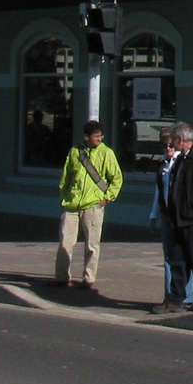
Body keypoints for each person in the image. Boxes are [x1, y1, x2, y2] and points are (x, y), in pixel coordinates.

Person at [151, 121, 193, 314]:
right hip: (178, 220)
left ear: (181, 139)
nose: (170, 143)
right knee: (177, 260)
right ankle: (175, 299)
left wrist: (189, 209)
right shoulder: (181, 160)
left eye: (173, 139)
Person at [53, 120, 122, 289]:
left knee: (92, 244)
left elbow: (116, 179)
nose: (99, 138)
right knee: (65, 243)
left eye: (101, 135)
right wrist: (64, 198)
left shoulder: (107, 153)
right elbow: (65, 178)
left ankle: (88, 278)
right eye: (96, 136)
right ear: (86, 137)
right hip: (72, 204)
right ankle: (62, 277)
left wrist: (107, 198)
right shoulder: (75, 152)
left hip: (93, 204)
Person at [148, 130, 193, 306]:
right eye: (164, 145)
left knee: (183, 256)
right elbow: (158, 191)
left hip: (181, 217)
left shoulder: (181, 163)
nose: (167, 148)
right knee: (169, 257)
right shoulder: (162, 163)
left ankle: (186, 296)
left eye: (170, 145)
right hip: (167, 216)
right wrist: (154, 215)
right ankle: (171, 295)